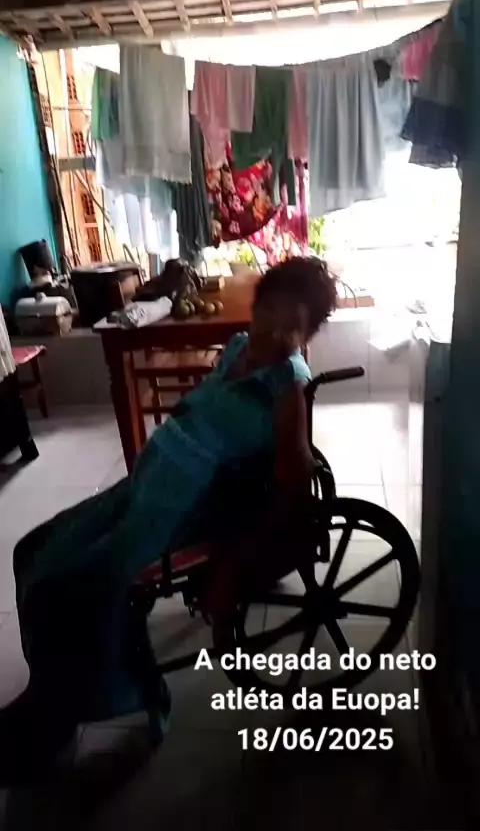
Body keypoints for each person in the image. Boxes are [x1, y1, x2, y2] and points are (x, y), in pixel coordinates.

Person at [0, 256, 337, 781]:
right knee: (32, 550)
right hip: (149, 480)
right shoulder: (239, 348)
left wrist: (231, 568)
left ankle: (77, 708)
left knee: (67, 586)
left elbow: (289, 488)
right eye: (270, 312)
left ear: (307, 333)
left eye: (292, 324)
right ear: (258, 305)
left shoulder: (286, 383)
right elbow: (206, 410)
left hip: (183, 503)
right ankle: (48, 688)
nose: (274, 331)